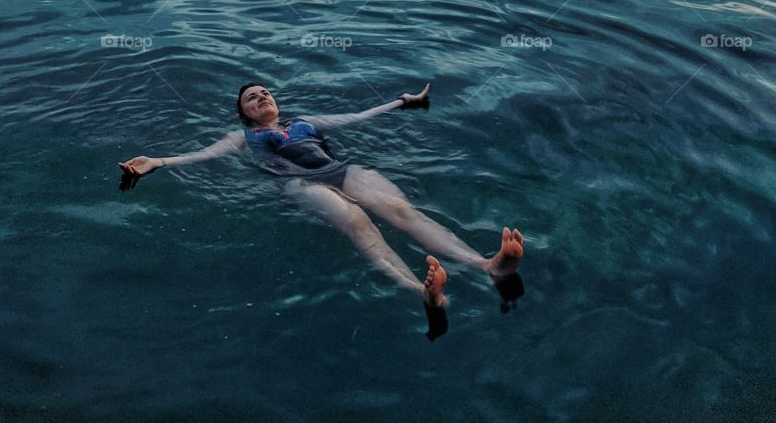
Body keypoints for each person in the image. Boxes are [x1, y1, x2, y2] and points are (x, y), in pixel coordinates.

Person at [117, 82, 524, 339]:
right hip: (298, 183)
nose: (261, 98)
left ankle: (486, 264)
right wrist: (160, 162)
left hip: (340, 170)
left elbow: (358, 116)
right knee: (358, 224)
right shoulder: (240, 137)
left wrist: (404, 102)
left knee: (402, 211)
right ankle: (423, 292)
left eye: (265, 93)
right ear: (244, 113)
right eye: (251, 98)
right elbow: (204, 155)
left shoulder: (305, 122)